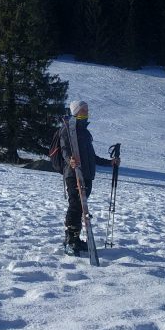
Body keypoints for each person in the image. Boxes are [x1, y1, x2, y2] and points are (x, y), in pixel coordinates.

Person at [52, 100, 119, 255]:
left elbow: (91, 156)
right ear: (75, 111)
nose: (87, 112)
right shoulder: (67, 129)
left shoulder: (85, 132)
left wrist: (110, 163)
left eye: (87, 109)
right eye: (83, 109)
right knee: (75, 205)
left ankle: (75, 239)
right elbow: (64, 149)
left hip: (87, 175)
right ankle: (69, 240)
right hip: (73, 173)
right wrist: (70, 160)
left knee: (81, 207)